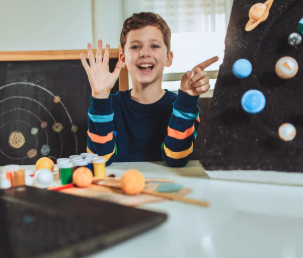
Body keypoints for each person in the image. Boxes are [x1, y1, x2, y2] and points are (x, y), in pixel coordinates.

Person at [80, 12, 218, 167]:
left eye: (154, 46)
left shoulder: (183, 107)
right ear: (123, 59)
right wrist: (100, 98)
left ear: (168, 58)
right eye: (135, 46)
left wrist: (188, 99)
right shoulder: (108, 107)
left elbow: (176, 159)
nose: (144, 53)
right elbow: (101, 161)